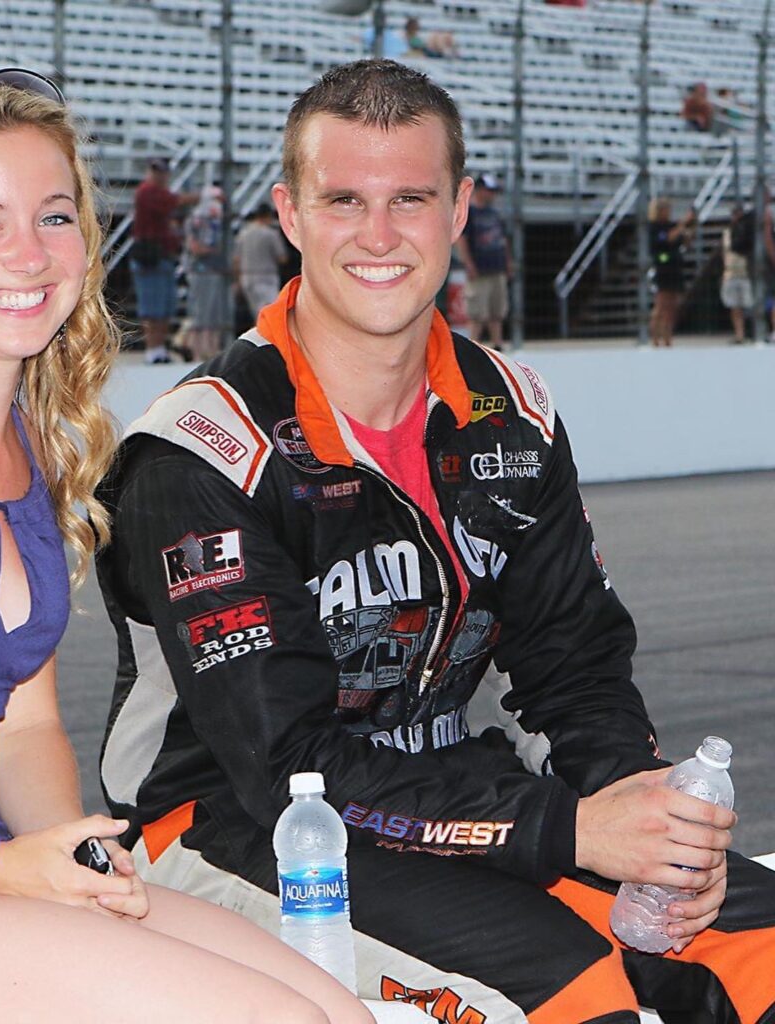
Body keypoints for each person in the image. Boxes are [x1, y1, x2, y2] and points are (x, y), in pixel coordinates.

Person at [97, 59, 775, 1022]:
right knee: (583, 993)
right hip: (238, 826)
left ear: (459, 211)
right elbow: (287, 756)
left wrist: (645, 819)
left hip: (458, 792)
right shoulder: (205, 449)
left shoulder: (512, 414)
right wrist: (573, 829)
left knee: (762, 948)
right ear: (289, 215)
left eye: (410, 198)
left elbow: (572, 663)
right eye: (345, 200)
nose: (379, 236)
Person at [0, 69, 375, 1024]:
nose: (28, 254)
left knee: (337, 1008)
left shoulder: (31, 446)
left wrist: (77, 859)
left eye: (53, 217)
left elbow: (24, 725)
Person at [130, 156, 197, 364]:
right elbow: (173, 201)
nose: (159, 176)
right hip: (151, 255)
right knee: (153, 307)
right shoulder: (147, 192)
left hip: (162, 255)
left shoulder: (154, 192)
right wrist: (197, 197)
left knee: (164, 306)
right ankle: (153, 348)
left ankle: (159, 348)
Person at [455, 172, 511, 350]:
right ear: (479, 190)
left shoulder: (493, 213)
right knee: (477, 311)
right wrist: (468, 263)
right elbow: (461, 239)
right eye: (489, 190)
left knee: (497, 310)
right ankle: (473, 345)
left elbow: (503, 240)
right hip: (479, 268)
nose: (492, 194)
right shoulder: (470, 213)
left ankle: (498, 344)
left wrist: (507, 262)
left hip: (496, 266)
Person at [183, 185, 228, 362]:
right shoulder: (198, 219)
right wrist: (211, 250)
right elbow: (195, 247)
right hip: (201, 270)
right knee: (202, 311)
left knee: (214, 312)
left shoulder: (216, 220)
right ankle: (198, 351)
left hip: (215, 269)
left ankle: (211, 350)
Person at [648, 196, 695, 347]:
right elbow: (666, 239)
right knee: (661, 303)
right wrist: (682, 224)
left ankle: (668, 337)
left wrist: (689, 232)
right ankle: (655, 338)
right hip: (663, 268)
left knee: (672, 306)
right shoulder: (654, 227)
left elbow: (682, 241)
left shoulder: (671, 225)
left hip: (675, 267)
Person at [234, 202, 289, 320]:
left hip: (247, 278)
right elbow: (282, 258)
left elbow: (237, 259)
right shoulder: (271, 234)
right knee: (272, 315)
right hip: (266, 277)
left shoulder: (244, 233)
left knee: (257, 315)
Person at [721, 206, 754, 344]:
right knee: (734, 306)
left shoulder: (749, 233)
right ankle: (739, 334)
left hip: (746, 272)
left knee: (750, 303)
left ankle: (752, 332)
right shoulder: (728, 233)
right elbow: (725, 252)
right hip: (731, 272)